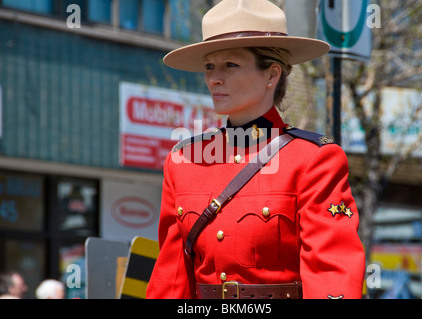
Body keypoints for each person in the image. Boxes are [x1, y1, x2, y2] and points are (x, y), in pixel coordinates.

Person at [147, 0, 365, 299]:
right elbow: (171, 277)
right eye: (209, 66)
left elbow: (331, 272)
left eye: (230, 65)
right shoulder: (183, 161)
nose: (214, 78)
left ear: (271, 74)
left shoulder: (314, 159)